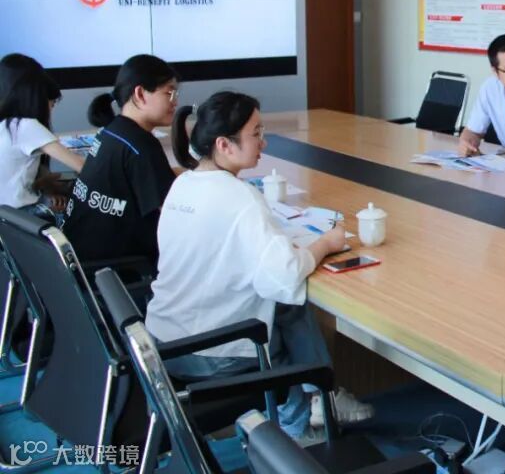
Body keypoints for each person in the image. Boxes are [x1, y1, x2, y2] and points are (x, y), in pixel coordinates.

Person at [145, 91, 369, 443]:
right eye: (255, 133)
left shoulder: (183, 183)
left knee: (285, 305)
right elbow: (283, 275)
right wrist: (325, 244)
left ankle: (319, 397)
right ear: (224, 144)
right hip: (211, 352)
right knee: (287, 298)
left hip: (163, 341)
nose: (263, 142)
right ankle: (301, 424)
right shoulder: (241, 197)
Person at [63, 54, 178, 266]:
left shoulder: (113, 130)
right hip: (118, 267)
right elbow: (174, 211)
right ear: (140, 94)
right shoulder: (141, 145)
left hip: (77, 256)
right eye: (169, 93)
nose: (175, 102)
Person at [0, 54, 85, 225]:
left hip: (6, 219)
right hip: (19, 218)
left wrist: (43, 184)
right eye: (52, 104)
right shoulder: (25, 126)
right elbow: (82, 165)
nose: (51, 111)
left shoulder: (6, 125)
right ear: (36, 95)